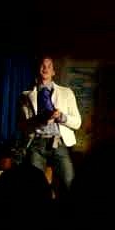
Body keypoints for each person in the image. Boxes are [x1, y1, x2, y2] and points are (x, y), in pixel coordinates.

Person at [20, 56, 81, 197]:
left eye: (49, 66)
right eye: (42, 65)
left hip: (58, 142)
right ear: (38, 69)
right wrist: (38, 120)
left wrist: (61, 117)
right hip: (37, 143)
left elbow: (77, 122)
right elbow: (22, 125)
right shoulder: (26, 96)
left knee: (70, 182)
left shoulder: (66, 93)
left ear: (53, 72)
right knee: (35, 187)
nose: (45, 68)